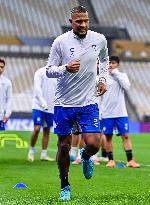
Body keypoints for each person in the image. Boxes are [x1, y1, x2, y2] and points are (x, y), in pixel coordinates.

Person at [46, 6, 108, 201]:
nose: (83, 25)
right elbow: (49, 70)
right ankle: (64, 184)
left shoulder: (99, 39)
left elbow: (104, 60)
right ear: (71, 21)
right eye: (78, 21)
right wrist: (65, 68)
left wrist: (102, 79)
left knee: (94, 144)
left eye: (85, 21)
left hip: (89, 102)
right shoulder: (60, 42)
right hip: (64, 103)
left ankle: (86, 156)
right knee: (63, 146)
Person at [101, 56, 140, 168]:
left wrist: (116, 73)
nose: (110, 65)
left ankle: (130, 160)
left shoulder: (122, 76)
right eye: (109, 63)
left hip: (121, 113)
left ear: (117, 64)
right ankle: (110, 160)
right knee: (108, 137)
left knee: (126, 136)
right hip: (107, 113)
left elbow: (127, 87)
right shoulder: (102, 78)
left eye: (113, 63)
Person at [27, 67, 57, 162]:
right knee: (37, 128)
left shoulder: (57, 74)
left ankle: (44, 154)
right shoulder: (40, 72)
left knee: (47, 130)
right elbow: (37, 89)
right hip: (38, 106)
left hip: (51, 108)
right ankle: (31, 151)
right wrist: (43, 103)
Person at [0, 59, 12, 130]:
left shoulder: (7, 82)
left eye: (2, 67)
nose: (0, 69)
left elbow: (9, 98)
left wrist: (7, 114)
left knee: (0, 139)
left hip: (1, 116)